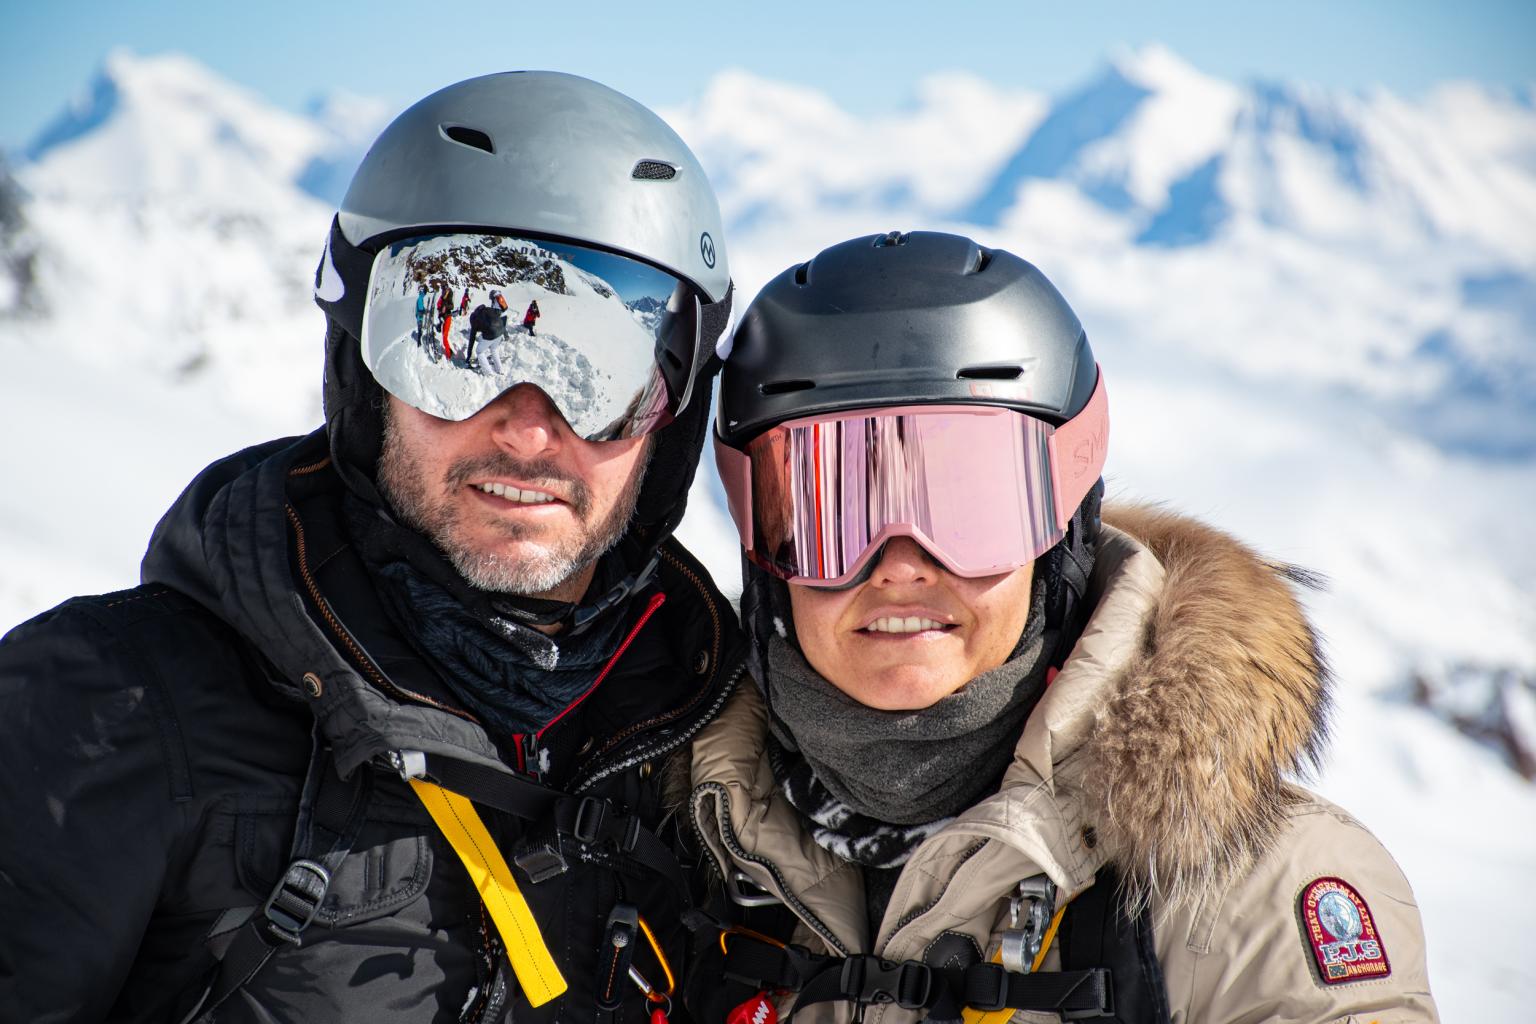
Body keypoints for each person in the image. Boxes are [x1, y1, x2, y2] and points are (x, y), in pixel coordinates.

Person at [0, 72, 742, 1023]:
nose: (528, 431)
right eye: (453, 350)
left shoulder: (710, 758)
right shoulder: (109, 707)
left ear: (674, 412)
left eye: (603, 377)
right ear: (362, 369)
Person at [686, 231, 1438, 1022]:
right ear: (760, 547)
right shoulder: (680, 854)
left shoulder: (1254, 897)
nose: (899, 565)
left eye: (970, 508)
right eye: (830, 509)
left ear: (1059, 542)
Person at [467, 288, 511, 369]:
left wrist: (469, 355)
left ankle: (495, 355)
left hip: (498, 319)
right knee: (495, 338)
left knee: (490, 340)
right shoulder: (498, 297)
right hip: (501, 320)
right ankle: (497, 361)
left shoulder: (496, 300)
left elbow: (472, 339)